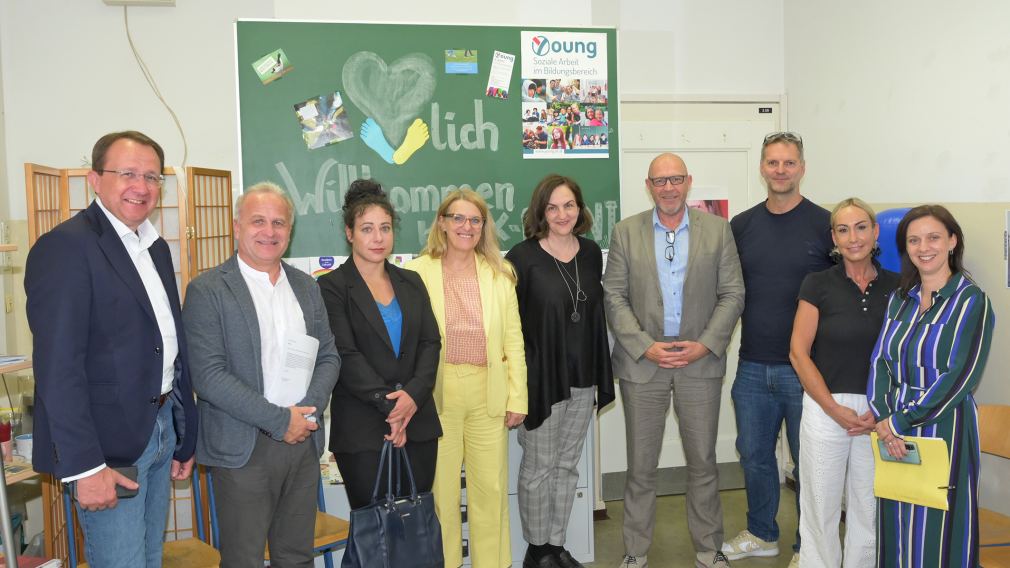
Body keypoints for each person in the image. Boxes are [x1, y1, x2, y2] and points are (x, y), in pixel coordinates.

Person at [24, 130, 198, 567]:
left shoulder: (153, 247)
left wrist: (183, 433)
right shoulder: (66, 248)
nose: (141, 186)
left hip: (159, 427)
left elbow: (168, 346)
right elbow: (58, 369)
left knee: (150, 558)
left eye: (152, 177)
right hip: (107, 450)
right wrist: (85, 468)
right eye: (127, 174)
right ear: (94, 180)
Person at [182, 182, 341, 566]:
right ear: (237, 226)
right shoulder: (208, 290)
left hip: (302, 442)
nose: (269, 231)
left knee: (297, 557)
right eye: (258, 221)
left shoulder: (306, 286)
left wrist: (306, 412)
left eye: (279, 223)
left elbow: (328, 356)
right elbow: (208, 375)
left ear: (290, 230)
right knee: (244, 559)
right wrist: (279, 420)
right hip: (243, 447)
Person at [604, 153, 745, 568]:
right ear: (649, 186)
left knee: (703, 462)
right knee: (641, 465)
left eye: (676, 179)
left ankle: (708, 547)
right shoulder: (625, 231)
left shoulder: (717, 230)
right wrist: (644, 345)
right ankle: (635, 551)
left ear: (688, 182)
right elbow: (614, 296)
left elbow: (733, 293)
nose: (668, 187)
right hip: (643, 363)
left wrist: (705, 344)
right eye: (660, 180)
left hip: (699, 361)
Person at [724, 132, 833, 567]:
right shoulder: (742, 226)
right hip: (753, 363)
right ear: (762, 168)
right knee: (754, 456)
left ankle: (809, 546)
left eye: (789, 163)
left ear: (802, 167)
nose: (781, 170)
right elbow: (726, 289)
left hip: (808, 368)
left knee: (810, 461)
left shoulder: (826, 224)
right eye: (773, 162)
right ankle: (762, 533)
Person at [406, 189, 528, 568]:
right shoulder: (416, 273)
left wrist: (517, 397)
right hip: (436, 396)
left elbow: (514, 340)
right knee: (440, 494)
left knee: (490, 491)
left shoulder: (500, 274)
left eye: (475, 220)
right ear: (442, 223)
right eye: (457, 218)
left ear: (483, 227)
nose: (466, 226)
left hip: (488, 393)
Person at [868, 205, 994, 568]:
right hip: (891, 429)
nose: (924, 247)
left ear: (952, 241)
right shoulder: (900, 299)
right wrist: (884, 416)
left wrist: (900, 422)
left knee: (938, 532)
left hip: (944, 429)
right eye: (914, 240)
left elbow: (960, 376)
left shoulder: (971, 301)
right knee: (894, 524)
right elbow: (880, 361)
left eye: (934, 237)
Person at [506, 175, 615, 568]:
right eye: (552, 207)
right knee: (539, 468)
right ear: (541, 212)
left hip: (583, 376)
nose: (562, 214)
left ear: (579, 209)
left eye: (569, 205)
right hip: (542, 380)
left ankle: (556, 543)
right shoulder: (520, 258)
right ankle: (537, 550)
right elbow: (510, 327)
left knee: (567, 466)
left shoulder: (591, 253)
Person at [788, 198, 899, 567]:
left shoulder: (899, 288)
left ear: (875, 231)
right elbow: (798, 353)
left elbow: (902, 355)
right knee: (820, 506)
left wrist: (881, 410)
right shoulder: (817, 284)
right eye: (844, 230)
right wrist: (833, 408)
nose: (854, 238)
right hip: (825, 408)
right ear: (834, 237)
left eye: (861, 227)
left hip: (877, 413)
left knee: (869, 506)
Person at [317, 180, 442, 509]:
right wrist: (392, 409)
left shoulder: (411, 281)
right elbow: (345, 354)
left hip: (418, 423)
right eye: (367, 229)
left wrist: (412, 398)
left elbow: (431, 342)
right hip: (363, 431)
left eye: (385, 228)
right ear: (349, 233)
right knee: (375, 530)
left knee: (414, 524)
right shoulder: (331, 287)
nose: (378, 238)